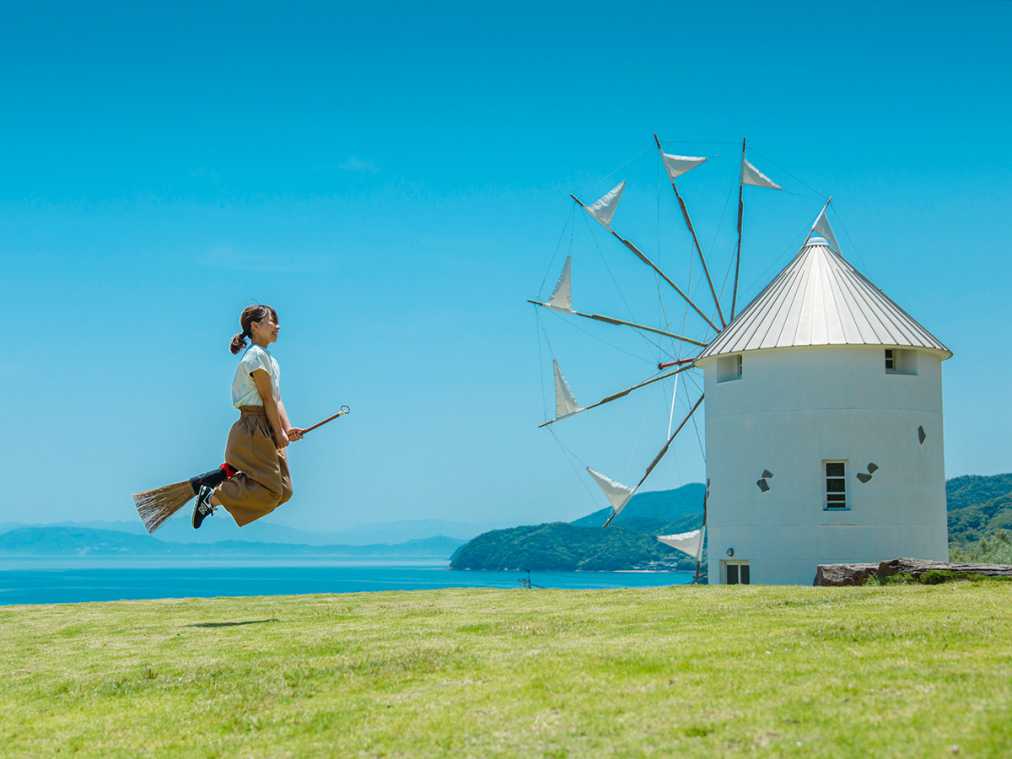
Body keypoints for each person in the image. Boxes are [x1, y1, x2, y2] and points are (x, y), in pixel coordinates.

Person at [193, 304, 304, 529]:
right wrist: (280, 431)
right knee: (272, 490)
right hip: (253, 426)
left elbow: (277, 399)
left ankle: (218, 489)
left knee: (284, 491)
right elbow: (268, 399)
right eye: (272, 321)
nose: (278, 326)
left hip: (267, 426)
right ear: (255, 326)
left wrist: (288, 428)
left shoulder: (270, 359)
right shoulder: (255, 356)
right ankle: (212, 497)